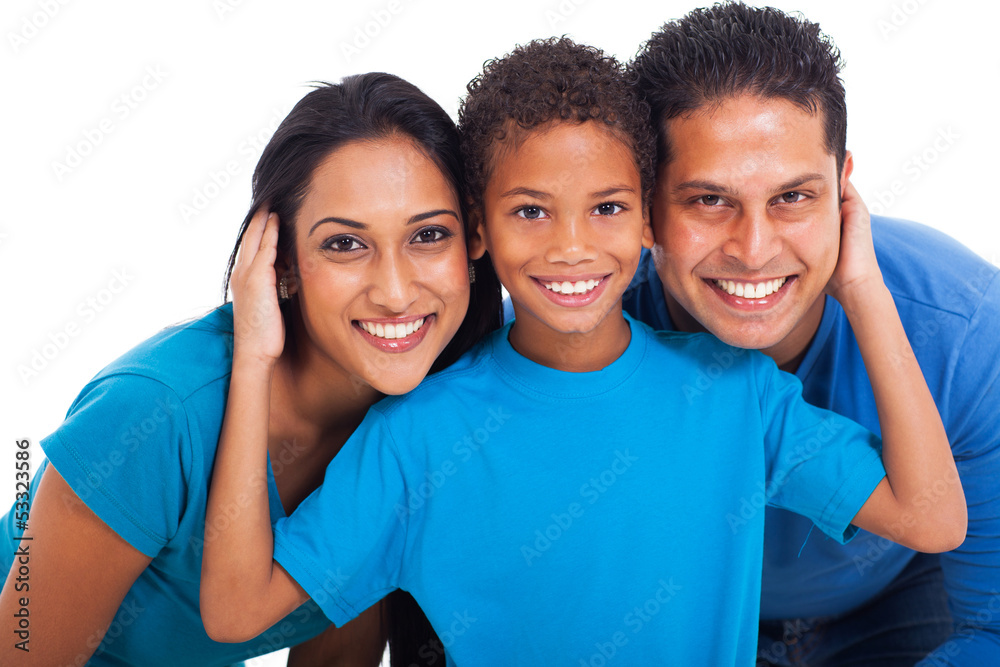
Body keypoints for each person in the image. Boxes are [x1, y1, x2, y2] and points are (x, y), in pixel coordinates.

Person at [198, 37, 964, 666]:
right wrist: (254, 359)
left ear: (649, 219)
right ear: (477, 228)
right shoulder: (415, 436)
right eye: (531, 211)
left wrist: (861, 285)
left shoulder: (735, 392)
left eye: (606, 207)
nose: (571, 246)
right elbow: (236, 610)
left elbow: (932, 518)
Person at [0, 72, 502, 666]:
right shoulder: (155, 414)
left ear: (473, 240)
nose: (395, 293)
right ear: (279, 260)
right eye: (345, 244)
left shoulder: (429, 417)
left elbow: (337, 657)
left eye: (428, 235)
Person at [624, 3, 1000, 665]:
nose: (754, 250)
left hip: (899, 600)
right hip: (691, 616)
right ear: (645, 203)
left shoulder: (966, 330)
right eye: (709, 200)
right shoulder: (559, 340)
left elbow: (992, 627)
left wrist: (864, 293)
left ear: (843, 187)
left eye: (793, 197)